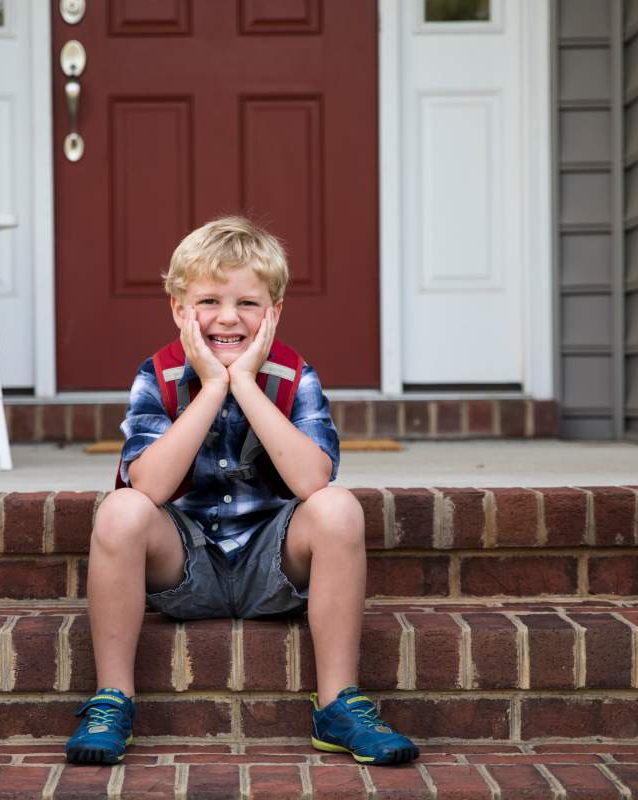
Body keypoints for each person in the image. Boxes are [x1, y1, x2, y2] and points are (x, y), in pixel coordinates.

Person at [65, 217, 419, 767]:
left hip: (273, 564)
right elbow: (149, 485)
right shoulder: (157, 376)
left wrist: (246, 384)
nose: (228, 318)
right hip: (183, 565)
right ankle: (112, 699)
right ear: (178, 310)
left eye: (248, 303)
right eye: (208, 301)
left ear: (274, 312)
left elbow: (312, 481)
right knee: (120, 511)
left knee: (338, 508)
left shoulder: (294, 376)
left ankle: (338, 705)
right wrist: (212, 387)